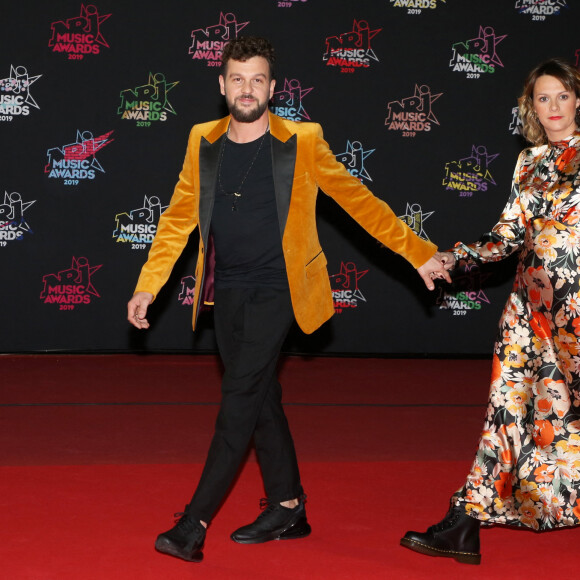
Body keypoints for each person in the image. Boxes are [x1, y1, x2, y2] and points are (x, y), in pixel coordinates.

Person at [127, 35, 450, 564]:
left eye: (257, 79)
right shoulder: (201, 140)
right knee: (258, 400)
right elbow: (177, 220)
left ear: (273, 87)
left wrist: (416, 253)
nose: (247, 88)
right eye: (237, 78)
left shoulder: (302, 141)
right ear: (221, 85)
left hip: (280, 289)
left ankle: (193, 522)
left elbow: (357, 200)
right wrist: (148, 284)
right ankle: (288, 505)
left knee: (238, 400)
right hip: (227, 290)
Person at [401, 58, 580, 566]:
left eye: (562, 96)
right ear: (531, 106)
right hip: (526, 311)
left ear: (578, 101)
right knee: (504, 409)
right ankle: (465, 522)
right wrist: (456, 257)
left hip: (577, 317)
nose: (553, 108)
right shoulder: (527, 164)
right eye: (543, 99)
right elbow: (507, 238)